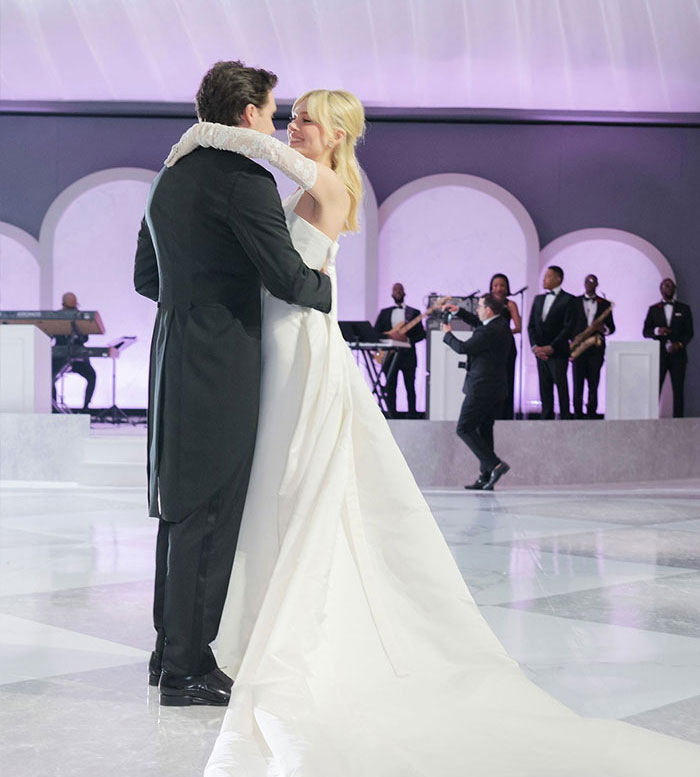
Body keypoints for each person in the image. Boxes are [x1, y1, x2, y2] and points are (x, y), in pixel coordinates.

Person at [167, 91, 700, 776]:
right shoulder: (314, 180)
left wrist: (201, 137)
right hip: (278, 341)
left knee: (293, 476)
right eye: (288, 116)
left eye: (303, 120)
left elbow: (267, 157)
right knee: (274, 478)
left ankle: (277, 624)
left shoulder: (326, 181)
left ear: (333, 136)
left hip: (299, 345)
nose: (288, 127)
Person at [133, 61, 332, 707]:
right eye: (273, 113)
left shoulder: (173, 175)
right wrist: (327, 286)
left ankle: (170, 653)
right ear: (248, 116)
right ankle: (189, 671)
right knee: (212, 511)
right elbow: (284, 275)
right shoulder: (242, 179)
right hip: (220, 361)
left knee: (181, 509)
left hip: (172, 351)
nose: (276, 124)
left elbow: (145, 276)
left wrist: (194, 300)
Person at [441, 294, 511, 490]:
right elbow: (479, 323)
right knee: (484, 430)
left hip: (482, 388)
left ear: (488, 309)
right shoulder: (500, 324)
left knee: (464, 428)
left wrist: (447, 334)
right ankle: (486, 476)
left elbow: (463, 348)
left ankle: (495, 465)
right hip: (494, 389)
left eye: (479, 306)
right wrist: (459, 312)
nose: (477, 309)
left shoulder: (489, 332)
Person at [527, 265, 576, 419]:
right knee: (544, 388)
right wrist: (535, 347)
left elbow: (568, 327)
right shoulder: (538, 299)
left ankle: (565, 419)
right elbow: (531, 326)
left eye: (548, 276)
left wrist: (552, 347)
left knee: (561, 387)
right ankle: (546, 419)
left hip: (558, 352)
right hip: (540, 353)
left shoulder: (569, 300)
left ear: (558, 279)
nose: (544, 279)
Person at [643, 277, 694, 417]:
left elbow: (689, 332)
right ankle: (652, 419)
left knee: (678, 390)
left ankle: (678, 422)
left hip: (678, 356)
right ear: (661, 289)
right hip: (659, 355)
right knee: (656, 389)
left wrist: (679, 344)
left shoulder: (684, 309)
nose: (669, 288)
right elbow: (645, 331)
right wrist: (657, 331)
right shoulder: (653, 309)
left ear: (674, 290)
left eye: (671, 286)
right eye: (666, 286)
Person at [374, 282, 426, 417]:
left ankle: (412, 415)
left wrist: (407, 339)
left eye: (400, 290)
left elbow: (422, 334)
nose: (397, 292)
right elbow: (375, 333)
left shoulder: (414, 313)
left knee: (410, 386)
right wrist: (389, 335)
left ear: (404, 293)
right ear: (392, 294)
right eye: (395, 290)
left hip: (408, 356)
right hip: (389, 356)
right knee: (390, 386)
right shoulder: (384, 313)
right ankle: (391, 415)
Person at [572, 274, 615, 419]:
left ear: (597, 284)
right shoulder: (574, 301)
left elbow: (612, 328)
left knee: (593, 382)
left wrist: (604, 329)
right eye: (588, 282)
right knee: (577, 383)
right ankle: (577, 413)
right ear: (584, 284)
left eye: (593, 282)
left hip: (596, 348)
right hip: (579, 347)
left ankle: (591, 412)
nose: (590, 284)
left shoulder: (604, 304)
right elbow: (568, 325)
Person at [51, 291, 96, 413]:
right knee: (48, 378)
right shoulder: (55, 317)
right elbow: (48, 335)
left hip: (77, 356)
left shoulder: (80, 317)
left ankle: (85, 409)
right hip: (60, 355)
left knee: (92, 376)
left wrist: (78, 335)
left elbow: (85, 338)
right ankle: (54, 409)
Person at [489, 273, 521, 419]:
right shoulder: (486, 304)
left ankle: (506, 415)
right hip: (490, 347)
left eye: (502, 285)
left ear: (507, 287)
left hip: (507, 346)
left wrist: (503, 332)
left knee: (507, 379)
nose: (499, 288)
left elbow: (518, 327)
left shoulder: (510, 304)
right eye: (495, 285)